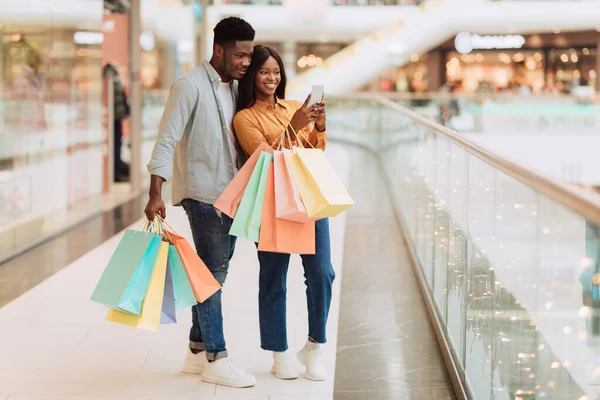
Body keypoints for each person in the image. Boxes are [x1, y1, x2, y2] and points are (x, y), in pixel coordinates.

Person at [145, 17, 256, 388]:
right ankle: (216, 357)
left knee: (214, 276)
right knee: (211, 277)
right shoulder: (188, 86)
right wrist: (154, 193)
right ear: (219, 49)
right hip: (203, 196)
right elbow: (166, 139)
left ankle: (195, 350)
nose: (245, 62)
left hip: (233, 195)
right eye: (240, 55)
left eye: (249, 55)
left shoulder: (239, 88)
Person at [233, 45, 336, 382]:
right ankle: (279, 353)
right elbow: (265, 156)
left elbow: (313, 151)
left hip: (308, 197)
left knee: (322, 273)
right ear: (252, 76)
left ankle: (315, 346)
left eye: (276, 72)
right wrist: (294, 125)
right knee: (273, 278)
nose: (272, 78)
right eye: (264, 72)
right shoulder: (245, 117)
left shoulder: (294, 106)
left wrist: (318, 125)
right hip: (272, 201)